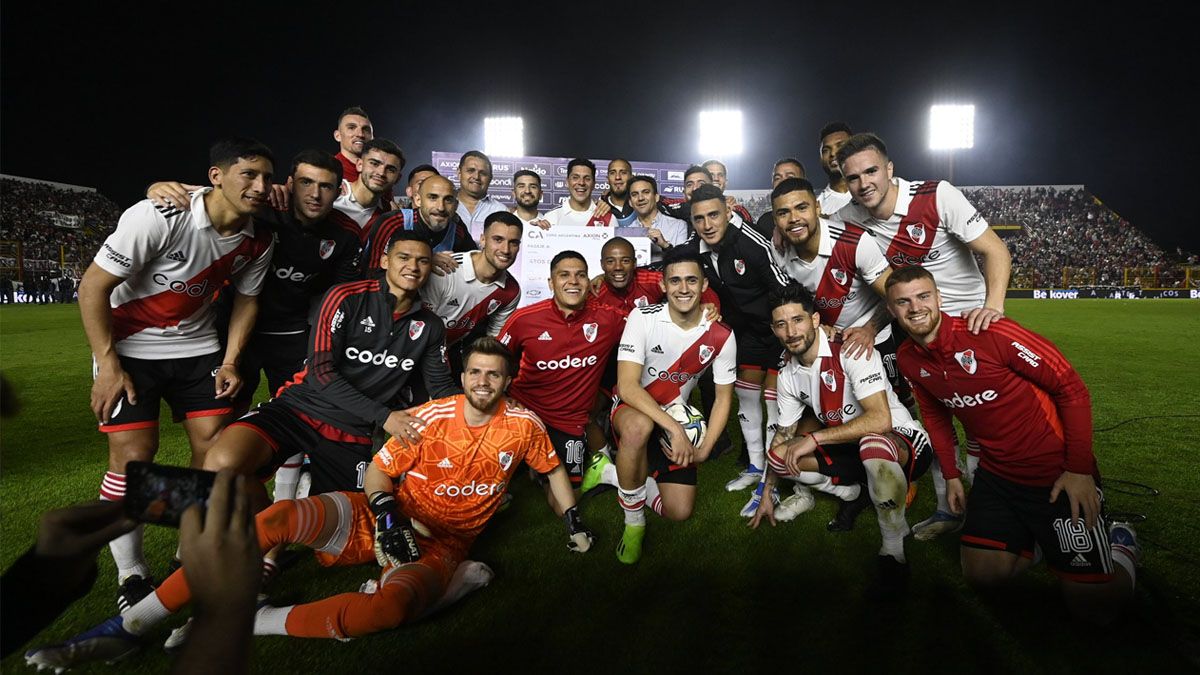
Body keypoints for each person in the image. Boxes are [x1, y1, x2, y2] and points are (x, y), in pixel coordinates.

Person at [26, 340, 593, 664]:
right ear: (463, 375)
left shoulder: (524, 426)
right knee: (271, 513)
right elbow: (376, 471)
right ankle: (128, 624)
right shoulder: (428, 416)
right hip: (380, 515)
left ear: (507, 379)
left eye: (494, 374)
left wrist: (570, 516)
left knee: (389, 610)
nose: (483, 382)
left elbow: (550, 473)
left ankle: (255, 619)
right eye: (474, 372)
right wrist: (388, 513)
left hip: (441, 541)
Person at [79, 137, 274, 610]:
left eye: (267, 176)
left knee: (213, 451)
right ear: (216, 176)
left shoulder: (261, 238)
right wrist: (107, 366)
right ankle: (131, 572)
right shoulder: (159, 214)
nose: (260, 185)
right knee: (133, 459)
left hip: (198, 348)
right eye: (247, 174)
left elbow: (247, 300)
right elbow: (92, 287)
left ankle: (189, 552)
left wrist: (229, 361)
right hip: (128, 347)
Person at [885, 267, 1139, 622]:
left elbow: (1071, 387)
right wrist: (954, 476)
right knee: (982, 576)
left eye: (923, 296)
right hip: (998, 477)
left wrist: (1079, 469)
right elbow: (936, 416)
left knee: (1094, 607)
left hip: (1056, 474)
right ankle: (1040, 538)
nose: (915, 307)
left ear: (939, 298)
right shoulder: (909, 359)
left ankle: (1121, 542)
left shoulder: (990, 333)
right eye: (903, 301)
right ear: (892, 310)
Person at [835, 132, 1013, 539]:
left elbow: (996, 250)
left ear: (890, 168)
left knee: (987, 426)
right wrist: (871, 326)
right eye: (853, 177)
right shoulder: (850, 218)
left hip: (970, 329)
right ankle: (948, 510)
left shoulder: (936, 196)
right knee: (936, 423)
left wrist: (995, 309)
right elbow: (889, 288)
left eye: (871, 171)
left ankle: (996, 512)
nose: (864, 183)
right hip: (916, 337)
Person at [198, 229, 457, 501]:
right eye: (404, 257)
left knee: (340, 532)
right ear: (384, 261)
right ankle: (272, 527)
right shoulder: (345, 297)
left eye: (423, 261)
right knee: (222, 465)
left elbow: (440, 387)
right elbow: (321, 374)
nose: (413, 267)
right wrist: (385, 417)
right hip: (299, 407)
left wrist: (492, 411)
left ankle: (288, 525)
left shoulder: (430, 326)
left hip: (352, 430)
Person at [750, 284, 933, 598]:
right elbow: (784, 432)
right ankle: (851, 493)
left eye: (798, 320)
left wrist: (814, 439)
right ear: (774, 330)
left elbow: (879, 420)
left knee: (871, 444)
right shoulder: (789, 374)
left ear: (816, 319)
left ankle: (893, 549)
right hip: (851, 447)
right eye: (781, 324)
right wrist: (766, 491)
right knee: (780, 455)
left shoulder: (851, 349)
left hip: (904, 444)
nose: (791, 331)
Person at [585, 252, 736, 563]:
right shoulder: (644, 318)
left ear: (704, 285)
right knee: (639, 427)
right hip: (634, 409)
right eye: (675, 280)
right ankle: (634, 523)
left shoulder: (721, 334)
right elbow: (627, 386)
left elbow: (723, 398)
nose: (684, 288)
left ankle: (612, 473)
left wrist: (705, 449)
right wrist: (674, 428)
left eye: (692, 280)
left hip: (677, 415)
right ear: (664, 285)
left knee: (679, 511)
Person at [674, 184, 792, 516]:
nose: (707, 224)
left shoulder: (751, 242)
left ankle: (772, 477)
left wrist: (790, 331)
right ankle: (755, 466)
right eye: (699, 218)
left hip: (776, 332)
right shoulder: (695, 248)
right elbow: (667, 265)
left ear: (728, 210)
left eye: (713, 215)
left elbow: (783, 287)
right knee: (747, 399)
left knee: (775, 407)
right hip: (744, 335)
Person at [497, 251, 626, 491]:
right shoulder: (524, 319)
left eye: (580, 275)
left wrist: (703, 308)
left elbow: (650, 325)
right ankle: (529, 463)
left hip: (569, 422)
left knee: (564, 503)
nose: (573, 282)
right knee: (491, 477)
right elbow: (494, 362)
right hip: (523, 411)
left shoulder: (609, 318)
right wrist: (504, 399)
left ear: (589, 281)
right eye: (564, 275)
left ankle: (573, 467)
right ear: (551, 282)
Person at [420, 211, 522, 372]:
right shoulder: (446, 270)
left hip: (445, 355)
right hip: (412, 350)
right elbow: (417, 326)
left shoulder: (511, 291)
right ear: (482, 240)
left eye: (514, 243)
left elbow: (494, 340)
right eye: (498, 240)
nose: (506, 249)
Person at [363, 175, 476, 275]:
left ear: (456, 206)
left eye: (448, 200)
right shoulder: (392, 223)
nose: (440, 207)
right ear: (418, 200)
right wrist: (426, 262)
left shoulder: (457, 230)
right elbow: (372, 273)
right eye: (433, 198)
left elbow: (475, 265)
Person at [331, 138, 405, 245]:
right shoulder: (333, 194)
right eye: (374, 164)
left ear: (398, 178)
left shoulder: (388, 215)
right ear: (359, 165)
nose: (381, 173)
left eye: (390, 170)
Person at [627, 175, 689, 262]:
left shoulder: (678, 226)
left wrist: (665, 245)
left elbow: (684, 263)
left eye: (646, 192)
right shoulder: (626, 232)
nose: (640, 198)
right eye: (634, 194)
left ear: (656, 197)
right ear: (630, 202)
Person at [541, 158, 615, 227]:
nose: (581, 183)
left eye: (587, 178)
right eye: (575, 178)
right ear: (567, 182)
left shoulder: (609, 218)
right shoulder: (550, 218)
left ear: (594, 184)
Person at [455, 151, 508, 240]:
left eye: (483, 173)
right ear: (459, 173)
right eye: (471, 171)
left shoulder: (500, 210)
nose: (476, 177)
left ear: (490, 178)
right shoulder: (444, 205)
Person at [752, 157, 806, 239]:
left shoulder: (814, 217)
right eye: (777, 178)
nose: (782, 182)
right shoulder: (765, 222)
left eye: (790, 177)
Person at [816, 122, 853, 215]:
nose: (833, 153)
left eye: (840, 146)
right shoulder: (817, 208)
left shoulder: (872, 191)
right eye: (826, 150)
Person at [600, 158, 637, 224]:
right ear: (607, 179)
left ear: (632, 178)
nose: (617, 177)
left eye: (623, 173)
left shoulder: (643, 204)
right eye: (612, 173)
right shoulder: (598, 208)